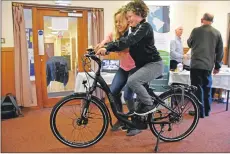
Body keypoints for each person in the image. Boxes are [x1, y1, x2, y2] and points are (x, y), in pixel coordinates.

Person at [96, 0, 164, 115]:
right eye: (127, 18)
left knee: (132, 81)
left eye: (129, 17)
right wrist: (105, 46)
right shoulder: (134, 28)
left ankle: (149, 105)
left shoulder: (145, 27)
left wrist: (107, 49)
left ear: (139, 14)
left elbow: (128, 41)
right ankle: (137, 116)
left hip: (153, 64)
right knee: (134, 86)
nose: (128, 20)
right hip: (143, 65)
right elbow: (121, 40)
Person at [95, 6, 141, 136]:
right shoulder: (115, 33)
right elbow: (106, 40)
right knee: (113, 92)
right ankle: (122, 119)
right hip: (123, 68)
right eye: (116, 21)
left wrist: (107, 49)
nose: (118, 24)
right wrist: (98, 46)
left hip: (135, 68)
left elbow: (124, 49)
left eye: (120, 21)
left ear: (127, 20)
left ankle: (135, 123)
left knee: (127, 95)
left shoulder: (132, 34)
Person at [187, 13, 223, 118]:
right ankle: (206, 111)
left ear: (202, 19)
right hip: (208, 65)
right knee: (207, 88)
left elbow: (189, 43)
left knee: (197, 89)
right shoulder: (217, 33)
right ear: (212, 21)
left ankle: (199, 112)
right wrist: (217, 66)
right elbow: (220, 52)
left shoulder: (195, 30)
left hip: (196, 65)